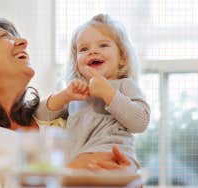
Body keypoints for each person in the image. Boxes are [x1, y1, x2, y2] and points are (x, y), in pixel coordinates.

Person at [0, 17, 132, 186]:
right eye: (5, 37)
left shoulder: (52, 122)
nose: (23, 42)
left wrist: (126, 179)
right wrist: (73, 173)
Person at [35, 14, 150, 172]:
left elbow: (140, 122)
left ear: (122, 57)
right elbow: (39, 114)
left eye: (103, 45)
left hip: (111, 153)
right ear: (76, 62)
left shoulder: (124, 85)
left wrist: (108, 92)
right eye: (84, 49)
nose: (93, 51)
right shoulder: (76, 91)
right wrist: (64, 96)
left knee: (59, 178)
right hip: (78, 158)